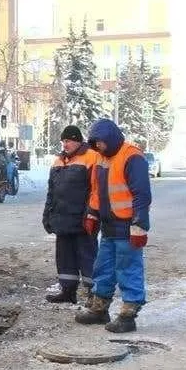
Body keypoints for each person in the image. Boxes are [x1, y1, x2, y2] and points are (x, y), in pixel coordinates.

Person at [74, 118, 152, 333]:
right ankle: (99, 309)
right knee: (103, 268)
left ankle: (128, 314)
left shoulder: (132, 157)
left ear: (110, 139)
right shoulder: (100, 158)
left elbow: (141, 195)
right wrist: (92, 213)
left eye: (100, 143)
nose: (97, 147)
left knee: (128, 268)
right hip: (109, 226)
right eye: (95, 143)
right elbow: (97, 191)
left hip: (128, 226)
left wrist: (139, 225)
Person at [42, 125, 100, 304]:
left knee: (87, 256)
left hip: (83, 219)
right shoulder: (59, 161)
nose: (64, 145)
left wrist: (91, 213)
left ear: (77, 141)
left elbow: (96, 189)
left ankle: (94, 293)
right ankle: (68, 291)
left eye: (68, 141)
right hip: (62, 219)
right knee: (64, 256)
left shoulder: (91, 157)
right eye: (63, 141)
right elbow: (52, 191)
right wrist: (47, 214)